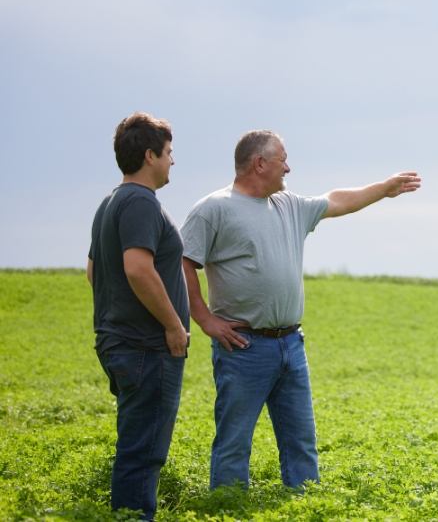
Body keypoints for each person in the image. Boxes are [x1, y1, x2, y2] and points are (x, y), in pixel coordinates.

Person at [179, 129, 420, 490]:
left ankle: (304, 504)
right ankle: (227, 506)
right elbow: (183, 263)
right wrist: (205, 320)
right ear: (259, 164)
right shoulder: (214, 208)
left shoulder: (288, 205)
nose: (288, 168)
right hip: (243, 346)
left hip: (291, 343)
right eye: (282, 160)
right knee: (234, 443)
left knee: (301, 442)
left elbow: (336, 201)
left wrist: (383, 189)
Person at [87, 112, 190, 521]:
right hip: (148, 348)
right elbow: (136, 268)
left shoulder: (110, 202)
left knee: (135, 447)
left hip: (123, 343)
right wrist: (172, 325)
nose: (172, 161)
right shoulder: (140, 203)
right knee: (143, 454)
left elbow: (95, 271)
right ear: (150, 155)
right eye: (168, 153)